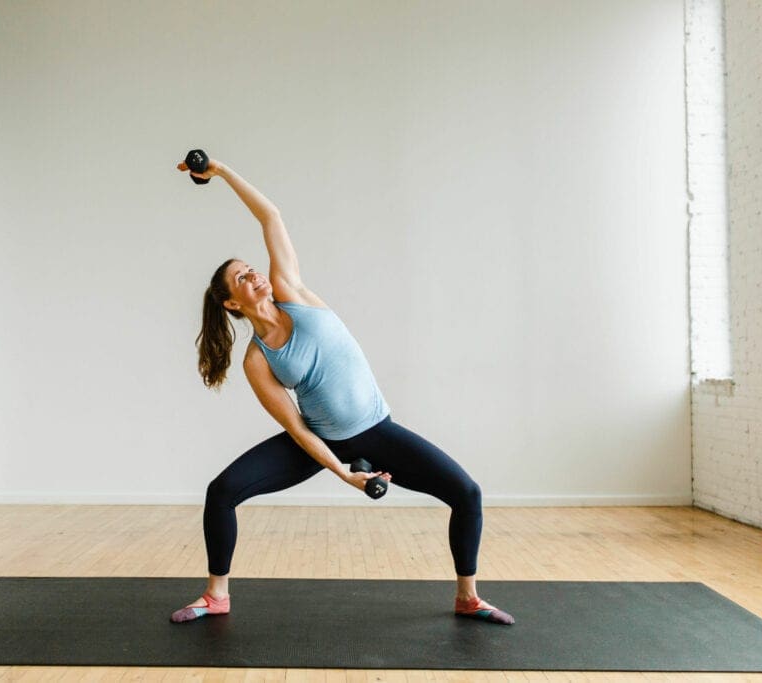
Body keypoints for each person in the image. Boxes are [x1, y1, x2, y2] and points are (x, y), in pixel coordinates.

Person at [171, 156, 514, 626]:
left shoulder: (293, 291)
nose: (254, 274)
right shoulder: (257, 360)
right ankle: (216, 595)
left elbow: (270, 216)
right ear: (233, 303)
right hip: (321, 441)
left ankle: (468, 597)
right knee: (222, 490)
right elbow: (294, 426)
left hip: (377, 432)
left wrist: (224, 172)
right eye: (241, 278)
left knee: (467, 492)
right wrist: (340, 473)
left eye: (251, 267)